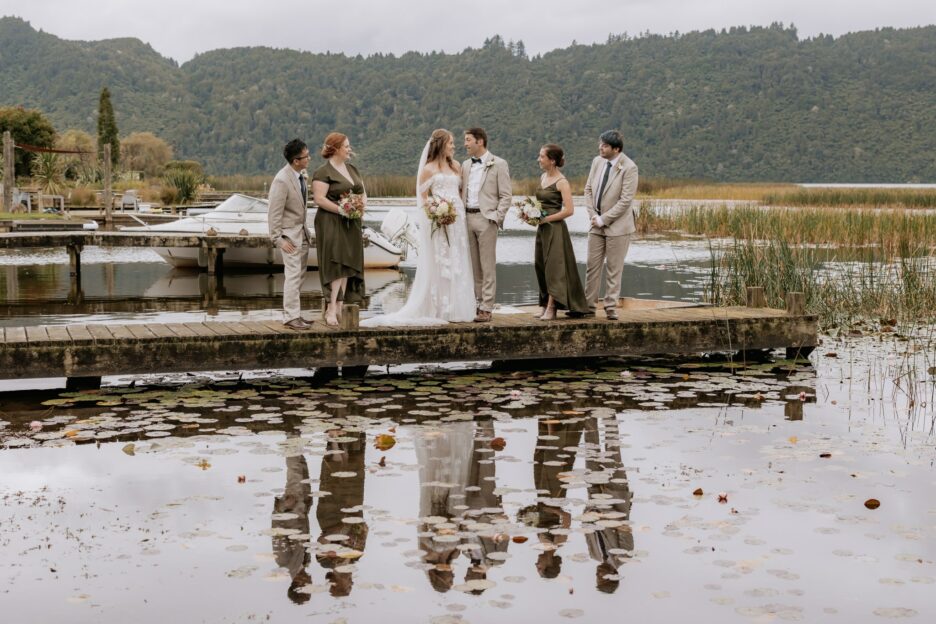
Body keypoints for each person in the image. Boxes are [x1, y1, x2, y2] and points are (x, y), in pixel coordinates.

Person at [361, 129, 475, 326]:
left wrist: (453, 212)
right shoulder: (428, 169)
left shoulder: (456, 166)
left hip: (457, 221)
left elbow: (459, 193)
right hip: (439, 222)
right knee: (441, 263)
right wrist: (436, 211)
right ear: (441, 145)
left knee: (458, 261)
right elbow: (422, 199)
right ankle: (438, 307)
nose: (454, 146)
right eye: (451, 143)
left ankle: (458, 307)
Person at [311, 132, 367, 327]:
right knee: (335, 262)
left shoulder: (352, 169)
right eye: (346, 146)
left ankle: (341, 303)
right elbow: (319, 199)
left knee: (347, 263)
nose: (349, 149)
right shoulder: (322, 172)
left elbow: (362, 193)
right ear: (335, 149)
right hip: (330, 221)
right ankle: (331, 307)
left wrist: (359, 207)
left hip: (351, 222)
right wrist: (341, 209)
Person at [583, 130, 639, 320]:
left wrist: (604, 219)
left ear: (616, 149)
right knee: (592, 266)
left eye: (605, 145)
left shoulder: (629, 167)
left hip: (619, 227)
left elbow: (625, 201)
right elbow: (588, 189)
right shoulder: (597, 162)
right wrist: (593, 215)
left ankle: (610, 307)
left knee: (614, 268)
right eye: (600, 144)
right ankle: (588, 306)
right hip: (595, 224)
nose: (601, 147)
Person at [533, 144, 589, 320]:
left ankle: (552, 307)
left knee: (554, 269)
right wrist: (532, 214)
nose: (538, 159)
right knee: (540, 264)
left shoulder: (562, 182)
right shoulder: (543, 177)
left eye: (542, 156)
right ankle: (543, 304)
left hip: (555, 229)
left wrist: (547, 219)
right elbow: (540, 204)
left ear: (552, 160)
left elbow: (569, 210)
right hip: (542, 228)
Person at [461, 127, 512, 323]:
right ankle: (478, 303)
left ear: (479, 141)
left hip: (486, 219)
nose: (465, 144)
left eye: (468, 140)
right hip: (467, 218)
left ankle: (487, 307)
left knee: (487, 265)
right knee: (474, 265)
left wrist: (497, 217)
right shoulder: (465, 165)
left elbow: (506, 195)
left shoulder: (499, 164)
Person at [268, 139, 313, 330]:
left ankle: (296, 314)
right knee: (293, 276)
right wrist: (277, 239)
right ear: (296, 160)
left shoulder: (299, 176)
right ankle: (290, 317)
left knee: (299, 275)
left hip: (302, 233)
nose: (309, 158)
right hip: (289, 237)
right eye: (306, 156)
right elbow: (274, 212)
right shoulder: (282, 180)